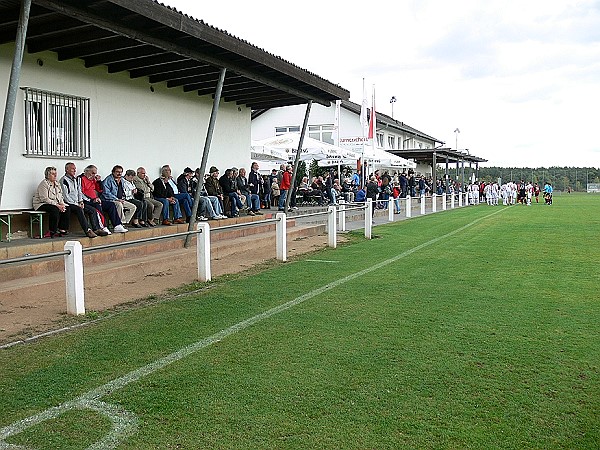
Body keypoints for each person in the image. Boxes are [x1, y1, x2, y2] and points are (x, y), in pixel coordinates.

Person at [60, 162, 108, 238]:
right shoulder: (63, 180)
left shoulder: (76, 179)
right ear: (67, 169)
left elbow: (79, 192)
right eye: (72, 169)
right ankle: (87, 230)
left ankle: (96, 229)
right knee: (79, 209)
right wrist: (76, 203)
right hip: (69, 203)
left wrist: (81, 201)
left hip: (78, 202)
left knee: (93, 210)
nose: (74, 170)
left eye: (75, 169)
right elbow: (65, 196)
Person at [79, 165, 127, 233]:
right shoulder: (81, 179)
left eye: (95, 173)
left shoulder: (92, 179)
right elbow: (80, 192)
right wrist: (92, 200)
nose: (94, 175)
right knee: (97, 205)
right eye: (92, 173)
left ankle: (117, 225)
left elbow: (100, 190)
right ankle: (103, 227)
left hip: (96, 199)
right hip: (86, 201)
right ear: (87, 171)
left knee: (111, 205)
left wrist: (98, 181)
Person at [32, 166, 70, 238]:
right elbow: (44, 199)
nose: (55, 175)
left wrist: (62, 204)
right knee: (54, 209)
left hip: (53, 203)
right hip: (41, 204)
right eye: (53, 174)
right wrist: (57, 205)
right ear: (48, 175)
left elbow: (60, 196)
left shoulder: (57, 183)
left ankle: (62, 229)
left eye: (55, 173)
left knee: (67, 208)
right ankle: (52, 231)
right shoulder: (44, 184)